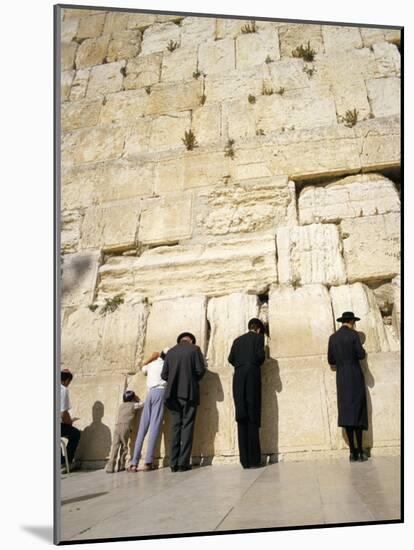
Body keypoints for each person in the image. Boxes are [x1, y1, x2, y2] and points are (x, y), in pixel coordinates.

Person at [161, 332, 206, 472]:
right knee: (187, 426)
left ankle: (173, 463)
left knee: (175, 427)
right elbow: (200, 370)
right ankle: (183, 463)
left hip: (172, 395)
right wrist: (191, 381)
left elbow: (164, 375)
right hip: (188, 393)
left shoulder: (171, 352)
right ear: (190, 340)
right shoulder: (195, 349)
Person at [328, 311, 368, 462]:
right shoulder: (353, 335)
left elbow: (330, 360)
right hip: (355, 375)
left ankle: (351, 451)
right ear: (351, 321)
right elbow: (361, 354)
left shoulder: (333, 338)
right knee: (358, 411)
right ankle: (359, 450)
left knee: (346, 412)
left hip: (342, 378)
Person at [228, 318, 266, 469]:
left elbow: (230, 358)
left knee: (241, 415)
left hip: (238, 377)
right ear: (258, 329)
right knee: (252, 416)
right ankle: (254, 460)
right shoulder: (258, 338)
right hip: (252, 377)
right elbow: (260, 357)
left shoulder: (237, 340)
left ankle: (244, 460)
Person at [129, 348, 170, 472]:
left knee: (142, 428)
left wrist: (152, 357)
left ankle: (134, 463)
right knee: (154, 427)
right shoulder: (166, 364)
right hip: (160, 392)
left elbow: (143, 367)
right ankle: (147, 462)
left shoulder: (151, 364)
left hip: (150, 394)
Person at [106, 390, 144, 473]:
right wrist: (138, 399)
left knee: (115, 447)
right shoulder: (133, 405)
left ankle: (110, 467)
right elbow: (142, 404)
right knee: (124, 447)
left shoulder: (121, 406)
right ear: (132, 398)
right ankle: (121, 466)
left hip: (117, 426)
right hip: (125, 427)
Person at [60, 369, 81, 473]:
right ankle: (65, 463)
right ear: (67, 380)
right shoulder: (63, 389)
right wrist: (69, 422)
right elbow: (63, 413)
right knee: (75, 434)